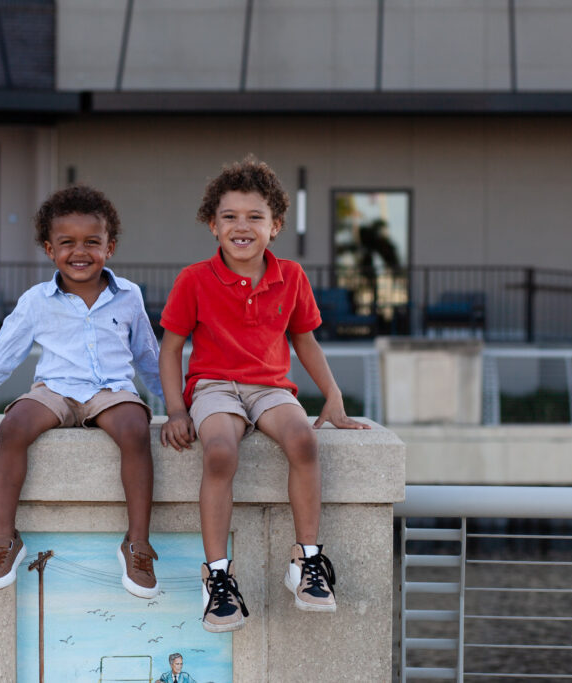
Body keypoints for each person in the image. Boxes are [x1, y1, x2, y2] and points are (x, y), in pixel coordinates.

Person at [158, 156, 371, 633]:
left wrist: (332, 398)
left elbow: (305, 341)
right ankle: (217, 578)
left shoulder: (291, 276)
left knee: (303, 442)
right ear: (212, 225)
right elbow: (170, 349)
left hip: (270, 386)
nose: (242, 226)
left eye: (255, 217)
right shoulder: (193, 279)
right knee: (217, 452)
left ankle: (307, 562)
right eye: (230, 216)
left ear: (275, 226)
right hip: (213, 386)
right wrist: (175, 408)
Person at [0, 185, 163, 599]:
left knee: (134, 427)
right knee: (14, 425)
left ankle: (137, 544)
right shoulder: (37, 301)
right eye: (67, 243)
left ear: (110, 247)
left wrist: (179, 409)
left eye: (93, 242)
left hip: (110, 390)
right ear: (48, 248)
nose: (80, 252)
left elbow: (148, 355)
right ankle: (4, 540)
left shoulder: (129, 296)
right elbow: (2, 355)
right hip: (55, 390)